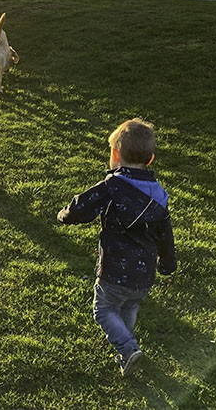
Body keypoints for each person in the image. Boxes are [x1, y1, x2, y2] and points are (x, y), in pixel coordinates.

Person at [57, 118, 176, 377]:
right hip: (144, 275)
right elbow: (165, 233)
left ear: (115, 154)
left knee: (104, 309)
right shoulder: (159, 194)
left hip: (114, 270)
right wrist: (167, 263)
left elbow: (82, 207)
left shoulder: (111, 187)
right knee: (129, 307)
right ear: (151, 159)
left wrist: (64, 214)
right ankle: (127, 355)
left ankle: (127, 347)